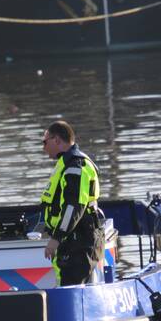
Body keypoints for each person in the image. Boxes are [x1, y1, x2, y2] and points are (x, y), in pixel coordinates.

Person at [40, 120, 104, 286]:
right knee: (67, 286)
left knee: (72, 290)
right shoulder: (66, 163)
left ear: (57, 140)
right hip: (72, 240)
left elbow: (73, 207)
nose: (43, 147)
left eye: (45, 142)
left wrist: (56, 238)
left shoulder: (76, 167)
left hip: (79, 241)